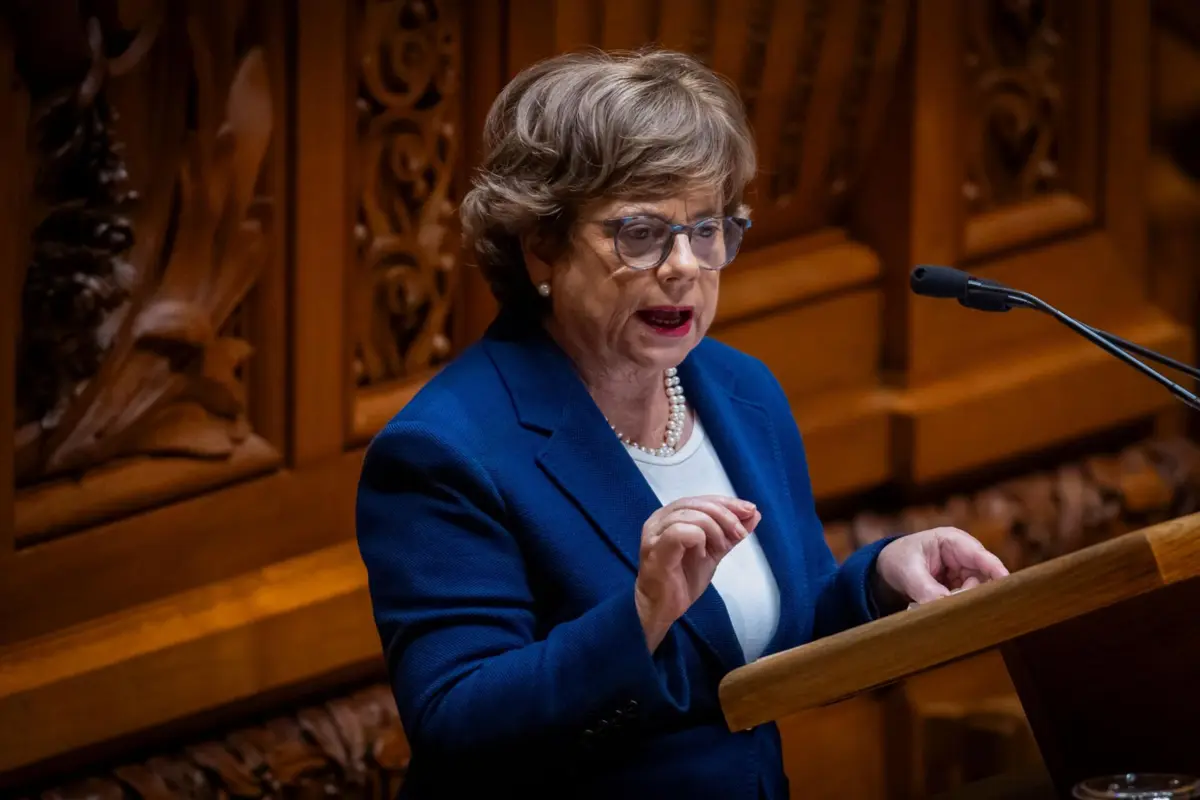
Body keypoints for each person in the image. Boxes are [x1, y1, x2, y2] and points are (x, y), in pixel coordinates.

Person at [356, 48, 1009, 799]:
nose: (685, 266)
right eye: (640, 233)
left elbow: (760, 645)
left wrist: (881, 579)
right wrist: (640, 615)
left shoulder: (739, 391)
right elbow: (457, 723)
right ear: (541, 243)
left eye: (708, 230)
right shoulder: (445, 452)